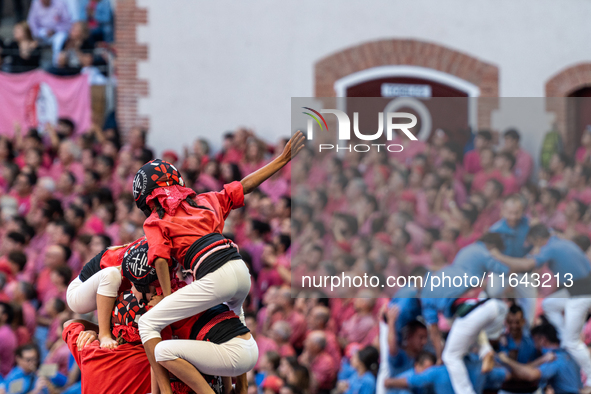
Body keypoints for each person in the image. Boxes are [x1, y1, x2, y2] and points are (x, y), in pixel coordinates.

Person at [135, 131, 305, 394]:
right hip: (240, 272)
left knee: (147, 324)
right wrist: (281, 161)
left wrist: (168, 298)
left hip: (215, 273)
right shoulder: (205, 200)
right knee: (236, 321)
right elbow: (243, 185)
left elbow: (159, 258)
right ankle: (242, 390)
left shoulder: (156, 219)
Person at [491, 224, 591, 392]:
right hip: (575, 289)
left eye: (533, 244)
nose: (534, 249)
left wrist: (498, 256)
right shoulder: (557, 239)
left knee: (572, 342)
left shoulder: (550, 247)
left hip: (582, 293)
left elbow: (526, 265)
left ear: (539, 240)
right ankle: (564, 335)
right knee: (548, 304)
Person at [420, 233, 511, 394]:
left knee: (451, 356)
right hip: (489, 304)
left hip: (470, 312)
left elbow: (434, 331)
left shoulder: (425, 293)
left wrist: (440, 357)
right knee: (465, 326)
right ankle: (485, 350)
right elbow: (480, 282)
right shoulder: (448, 270)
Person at [65, 236, 150, 349]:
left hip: (112, 291)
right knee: (111, 274)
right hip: (79, 293)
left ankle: (107, 332)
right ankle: (104, 335)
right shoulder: (132, 256)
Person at [498, 323, 582, 394]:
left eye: (534, 341)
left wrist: (507, 360)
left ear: (542, 340)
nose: (533, 345)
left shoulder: (554, 357)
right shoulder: (567, 353)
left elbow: (530, 375)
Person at [27, 0, 72, 64]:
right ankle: (35, 65)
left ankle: (56, 64)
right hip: (41, 32)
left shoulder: (60, 3)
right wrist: (42, 31)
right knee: (31, 39)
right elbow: (31, 22)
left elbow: (67, 23)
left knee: (59, 39)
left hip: (57, 33)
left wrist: (54, 30)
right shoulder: (36, 4)